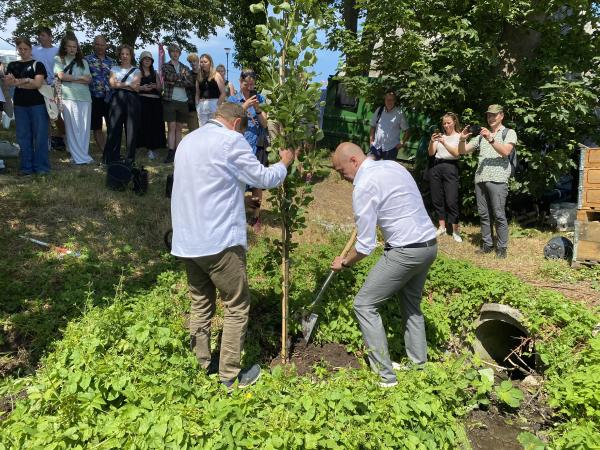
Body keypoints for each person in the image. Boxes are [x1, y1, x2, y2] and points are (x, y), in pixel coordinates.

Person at [170, 102, 294, 389]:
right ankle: (229, 376)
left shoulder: (188, 141)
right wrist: (284, 162)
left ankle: (201, 364)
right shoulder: (231, 140)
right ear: (238, 124)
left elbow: (206, 186)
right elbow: (264, 178)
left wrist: (238, 196)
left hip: (188, 241)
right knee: (237, 305)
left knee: (201, 303)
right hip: (219, 242)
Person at [330, 142, 437, 388]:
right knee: (411, 304)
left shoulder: (364, 185)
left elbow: (366, 246)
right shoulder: (393, 165)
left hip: (406, 251)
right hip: (429, 245)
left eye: (340, 171)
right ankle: (418, 367)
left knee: (364, 305)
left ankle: (385, 378)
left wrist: (344, 263)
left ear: (354, 161)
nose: (341, 177)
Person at [458, 105, 518, 259]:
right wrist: (462, 139)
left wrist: (490, 139)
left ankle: (502, 248)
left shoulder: (509, 133)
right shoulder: (480, 136)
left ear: (501, 116)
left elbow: (505, 152)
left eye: (494, 115)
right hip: (480, 178)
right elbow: (462, 151)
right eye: (488, 116)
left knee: (498, 214)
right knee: (484, 214)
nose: (490, 118)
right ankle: (487, 245)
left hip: (498, 179)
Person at [227, 68, 268, 230]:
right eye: (246, 83)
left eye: (252, 83)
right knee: (236, 180)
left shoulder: (261, 98)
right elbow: (229, 121)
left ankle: (256, 216)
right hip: (238, 145)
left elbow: (264, 124)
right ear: (240, 81)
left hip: (256, 146)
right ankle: (236, 213)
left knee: (256, 182)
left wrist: (257, 108)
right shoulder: (233, 99)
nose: (249, 86)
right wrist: (244, 106)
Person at [5, 37, 50, 175]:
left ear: (31, 49)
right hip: (20, 105)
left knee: (40, 136)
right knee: (23, 137)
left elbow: (38, 84)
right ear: (17, 49)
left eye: (26, 49)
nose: (23, 51)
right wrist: (26, 81)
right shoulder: (12, 65)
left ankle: (41, 167)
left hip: (38, 105)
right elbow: (8, 83)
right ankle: (26, 167)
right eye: (20, 49)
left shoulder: (38, 64)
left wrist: (18, 82)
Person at [54, 35, 93, 165]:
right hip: (68, 97)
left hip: (85, 97)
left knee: (84, 128)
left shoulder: (84, 62)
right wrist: (80, 78)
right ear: (65, 47)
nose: (72, 49)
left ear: (77, 48)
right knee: (72, 128)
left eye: (74, 47)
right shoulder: (59, 59)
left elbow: (89, 79)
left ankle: (83, 154)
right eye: (69, 46)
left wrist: (71, 77)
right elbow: (61, 76)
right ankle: (78, 157)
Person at [103, 44, 141, 164]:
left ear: (131, 56)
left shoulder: (137, 70)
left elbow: (136, 88)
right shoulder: (114, 69)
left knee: (131, 130)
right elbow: (113, 84)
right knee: (114, 129)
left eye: (127, 54)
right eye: (122, 54)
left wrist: (122, 84)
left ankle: (129, 159)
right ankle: (112, 158)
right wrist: (129, 84)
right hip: (117, 100)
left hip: (132, 100)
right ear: (119, 56)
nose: (125, 56)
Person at [427, 112, 462, 242]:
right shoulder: (440, 136)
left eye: (448, 123)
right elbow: (431, 153)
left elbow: (457, 153)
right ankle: (442, 227)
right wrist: (432, 141)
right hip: (436, 167)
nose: (446, 125)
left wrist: (444, 142)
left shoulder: (459, 136)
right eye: (444, 123)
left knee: (452, 200)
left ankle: (455, 230)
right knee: (437, 198)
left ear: (454, 123)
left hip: (451, 167)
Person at [161, 44, 194, 163]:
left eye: (177, 51)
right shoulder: (165, 66)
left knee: (179, 127)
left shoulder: (185, 67)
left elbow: (190, 83)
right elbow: (168, 77)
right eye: (173, 51)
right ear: (169, 53)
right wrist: (181, 77)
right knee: (171, 127)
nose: (175, 53)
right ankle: (171, 152)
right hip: (170, 100)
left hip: (183, 101)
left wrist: (175, 81)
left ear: (180, 53)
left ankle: (178, 153)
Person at [85, 35, 114, 154]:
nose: (100, 47)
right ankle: (104, 150)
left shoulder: (112, 61)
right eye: (97, 44)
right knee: (97, 126)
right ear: (93, 45)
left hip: (109, 97)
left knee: (111, 125)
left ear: (106, 46)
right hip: (93, 97)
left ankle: (111, 148)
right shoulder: (86, 60)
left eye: (102, 44)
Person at [137, 51, 166, 160]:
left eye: (149, 59)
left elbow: (160, 88)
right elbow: (135, 87)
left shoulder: (155, 73)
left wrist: (155, 86)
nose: (147, 60)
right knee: (144, 125)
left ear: (152, 61)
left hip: (155, 102)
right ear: (141, 61)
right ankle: (144, 147)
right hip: (142, 101)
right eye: (145, 59)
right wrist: (143, 88)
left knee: (155, 126)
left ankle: (154, 148)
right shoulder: (137, 72)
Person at [369, 90, 410, 161]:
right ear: (384, 100)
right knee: (371, 167)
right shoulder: (379, 110)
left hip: (391, 149)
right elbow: (373, 126)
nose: (389, 101)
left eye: (391, 100)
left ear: (395, 101)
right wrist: (371, 141)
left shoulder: (399, 113)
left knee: (387, 171)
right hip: (376, 146)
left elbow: (407, 131)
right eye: (387, 99)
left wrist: (401, 144)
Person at [195, 54, 225, 126]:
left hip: (214, 104)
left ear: (210, 62)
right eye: (201, 62)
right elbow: (197, 93)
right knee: (202, 129)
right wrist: (197, 105)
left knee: (213, 128)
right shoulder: (199, 75)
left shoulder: (216, 75)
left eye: (205, 62)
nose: (203, 64)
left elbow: (223, 93)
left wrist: (217, 105)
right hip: (202, 106)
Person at [186, 53, 200, 132]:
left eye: (194, 61)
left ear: (198, 61)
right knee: (193, 131)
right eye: (190, 62)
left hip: (203, 107)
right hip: (191, 107)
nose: (193, 63)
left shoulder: (204, 74)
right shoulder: (188, 75)